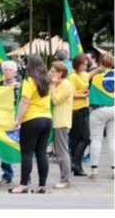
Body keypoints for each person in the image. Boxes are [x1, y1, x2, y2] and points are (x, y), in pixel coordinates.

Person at [10, 54, 53, 194]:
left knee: (27, 153)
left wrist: (17, 120)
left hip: (32, 119)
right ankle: (41, 185)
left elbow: (24, 101)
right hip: (47, 119)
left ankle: (23, 184)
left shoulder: (29, 81)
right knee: (41, 153)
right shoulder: (47, 81)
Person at [87, 52, 114, 181]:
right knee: (113, 140)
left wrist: (98, 69)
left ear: (100, 63)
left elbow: (85, 77)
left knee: (96, 139)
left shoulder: (96, 78)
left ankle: (94, 169)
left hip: (99, 110)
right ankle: (114, 170)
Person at [0, 60, 22, 185]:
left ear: (15, 72)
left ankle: (26, 176)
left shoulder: (21, 86)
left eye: (11, 70)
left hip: (18, 119)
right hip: (3, 119)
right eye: (6, 70)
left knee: (21, 147)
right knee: (5, 146)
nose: (8, 72)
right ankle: (7, 175)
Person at [49, 60, 75, 189]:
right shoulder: (59, 83)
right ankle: (64, 178)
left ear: (60, 73)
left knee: (62, 151)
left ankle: (66, 179)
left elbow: (56, 100)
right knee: (59, 151)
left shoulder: (66, 85)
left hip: (61, 121)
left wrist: (53, 87)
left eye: (53, 71)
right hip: (55, 121)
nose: (50, 73)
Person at [67, 53, 91, 177]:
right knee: (82, 138)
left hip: (83, 109)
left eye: (86, 65)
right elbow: (70, 94)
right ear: (77, 64)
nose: (85, 67)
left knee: (81, 138)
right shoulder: (73, 76)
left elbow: (91, 74)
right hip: (76, 110)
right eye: (83, 65)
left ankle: (76, 164)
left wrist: (101, 67)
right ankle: (74, 163)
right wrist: (83, 95)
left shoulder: (83, 74)